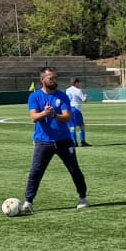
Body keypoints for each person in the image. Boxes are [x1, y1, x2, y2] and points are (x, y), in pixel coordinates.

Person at [17, 66, 89, 214]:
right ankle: (28, 202)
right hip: (43, 141)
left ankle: (83, 198)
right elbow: (33, 117)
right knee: (36, 172)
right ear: (42, 80)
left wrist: (54, 116)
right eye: (51, 78)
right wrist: (45, 113)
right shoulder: (35, 97)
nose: (54, 80)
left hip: (63, 140)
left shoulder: (62, 96)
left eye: (55, 78)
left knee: (74, 169)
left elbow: (67, 117)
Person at [66, 77, 90, 146]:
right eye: (78, 83)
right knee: (81, 125)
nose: (79, 84)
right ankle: (82, 141)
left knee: (72, 126)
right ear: (76, 83)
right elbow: (84, 100)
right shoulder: (78, 90)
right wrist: (85, 96)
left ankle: (74, 142)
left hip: (70, 108)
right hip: (76, 109)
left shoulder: (67, 90)